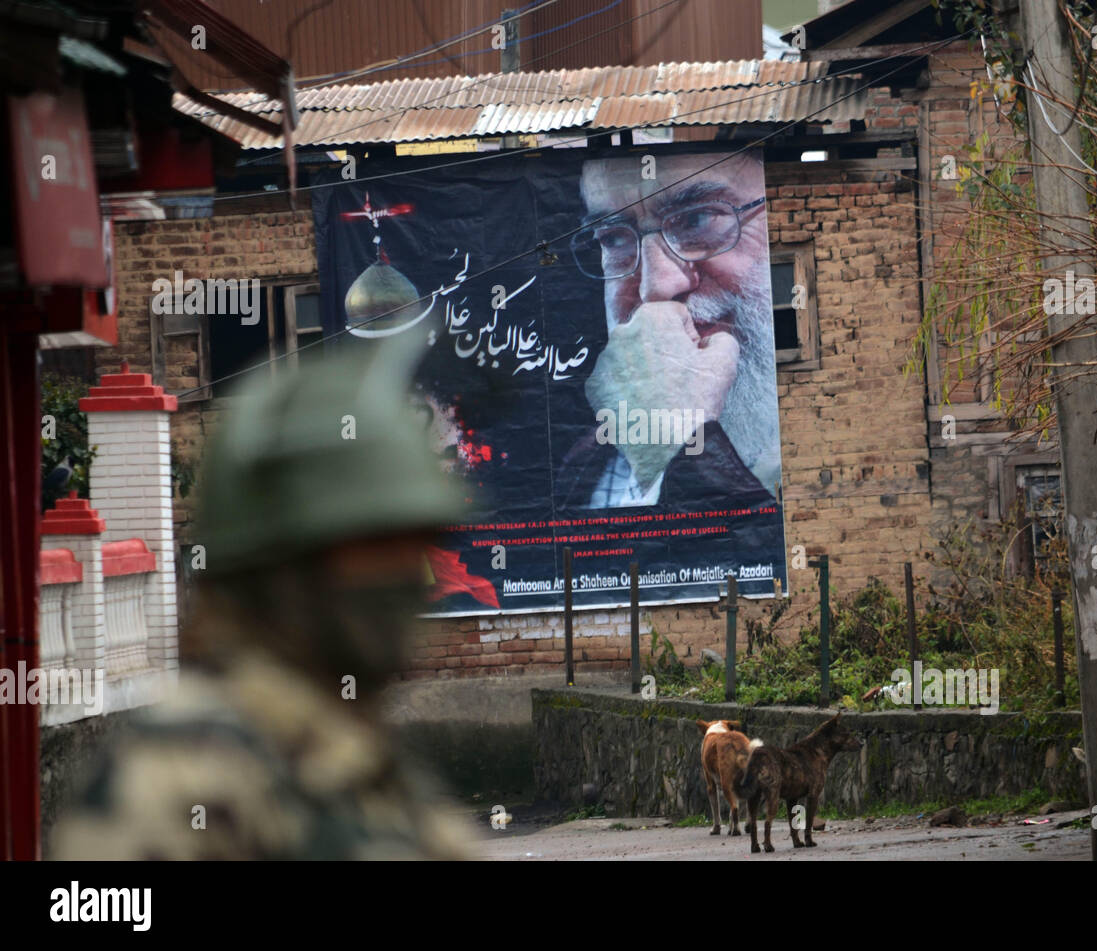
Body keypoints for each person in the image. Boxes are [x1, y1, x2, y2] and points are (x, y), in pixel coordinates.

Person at [52, 344, 475, 860]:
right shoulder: (179, 778)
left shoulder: (365, 763)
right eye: (375, 546)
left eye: (419, 541)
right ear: (282, 567)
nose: (410, 574)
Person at [558, 150, 782, 510]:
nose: (656, 286)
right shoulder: (582, 470)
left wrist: (683, 443)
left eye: (696, 220)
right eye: (614, 238)